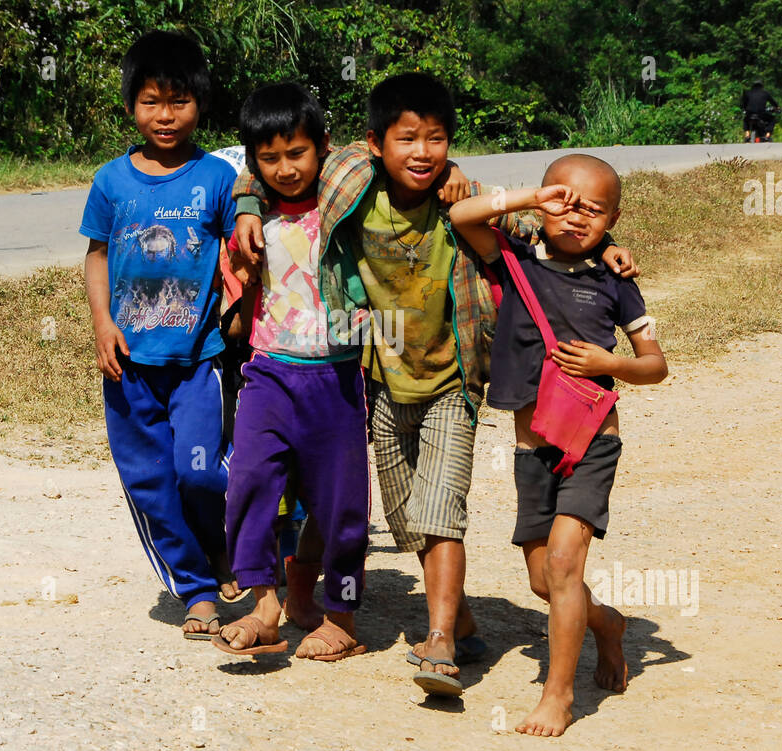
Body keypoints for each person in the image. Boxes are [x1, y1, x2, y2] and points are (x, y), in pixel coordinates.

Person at [231, 73, 639, 696]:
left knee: (441, 513)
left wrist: (604, 245)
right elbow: (264, 162)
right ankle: (467, 618)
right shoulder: (349, 183)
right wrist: (244, 205)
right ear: (374, 143)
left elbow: (543, 237)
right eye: (406, 139)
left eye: (436, 139)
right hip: (381, 383)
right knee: (406, 523)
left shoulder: (461, 195)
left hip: (453, 382)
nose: (421, 153)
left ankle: (441, 639)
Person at [448, 154, 667, 737]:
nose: (576, 218)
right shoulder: (515, 260)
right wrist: (528, 200)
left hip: (594, 441)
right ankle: (606, 624)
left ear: (613, 218)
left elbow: (656, 365)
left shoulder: (616, 282)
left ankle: (558, 695)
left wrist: (609, 362)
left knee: (566, 566)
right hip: (533, 448)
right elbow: (461, 215)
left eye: (593, 210)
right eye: (564, 202)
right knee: (544, 582)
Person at [79, 30, 238, 642]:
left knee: (198, 472)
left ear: (200, 103)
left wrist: (240, 306)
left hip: (199, 359)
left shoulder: (218, 178)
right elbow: (96, 256)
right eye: (151, 101)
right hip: (128, 365)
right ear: (130, 107)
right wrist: (102, 324)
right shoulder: (111, 182)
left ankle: (222, 547)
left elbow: (244, 246)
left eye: (179, 101)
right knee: (151, 479)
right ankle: (196, 590)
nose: (165, 116)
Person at [213, 82, 375, 660]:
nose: (285, 168)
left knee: (342, 508)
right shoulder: (250, 217)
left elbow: (374, 153)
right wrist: (248, 204)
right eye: (270, 158)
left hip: (337, 379)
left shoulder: (348, 202)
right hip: (268, 373)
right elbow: (241, 176)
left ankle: (343, 616)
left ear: (322, 147)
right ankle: (264, 604)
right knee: (250, 484)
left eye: (297, 153)